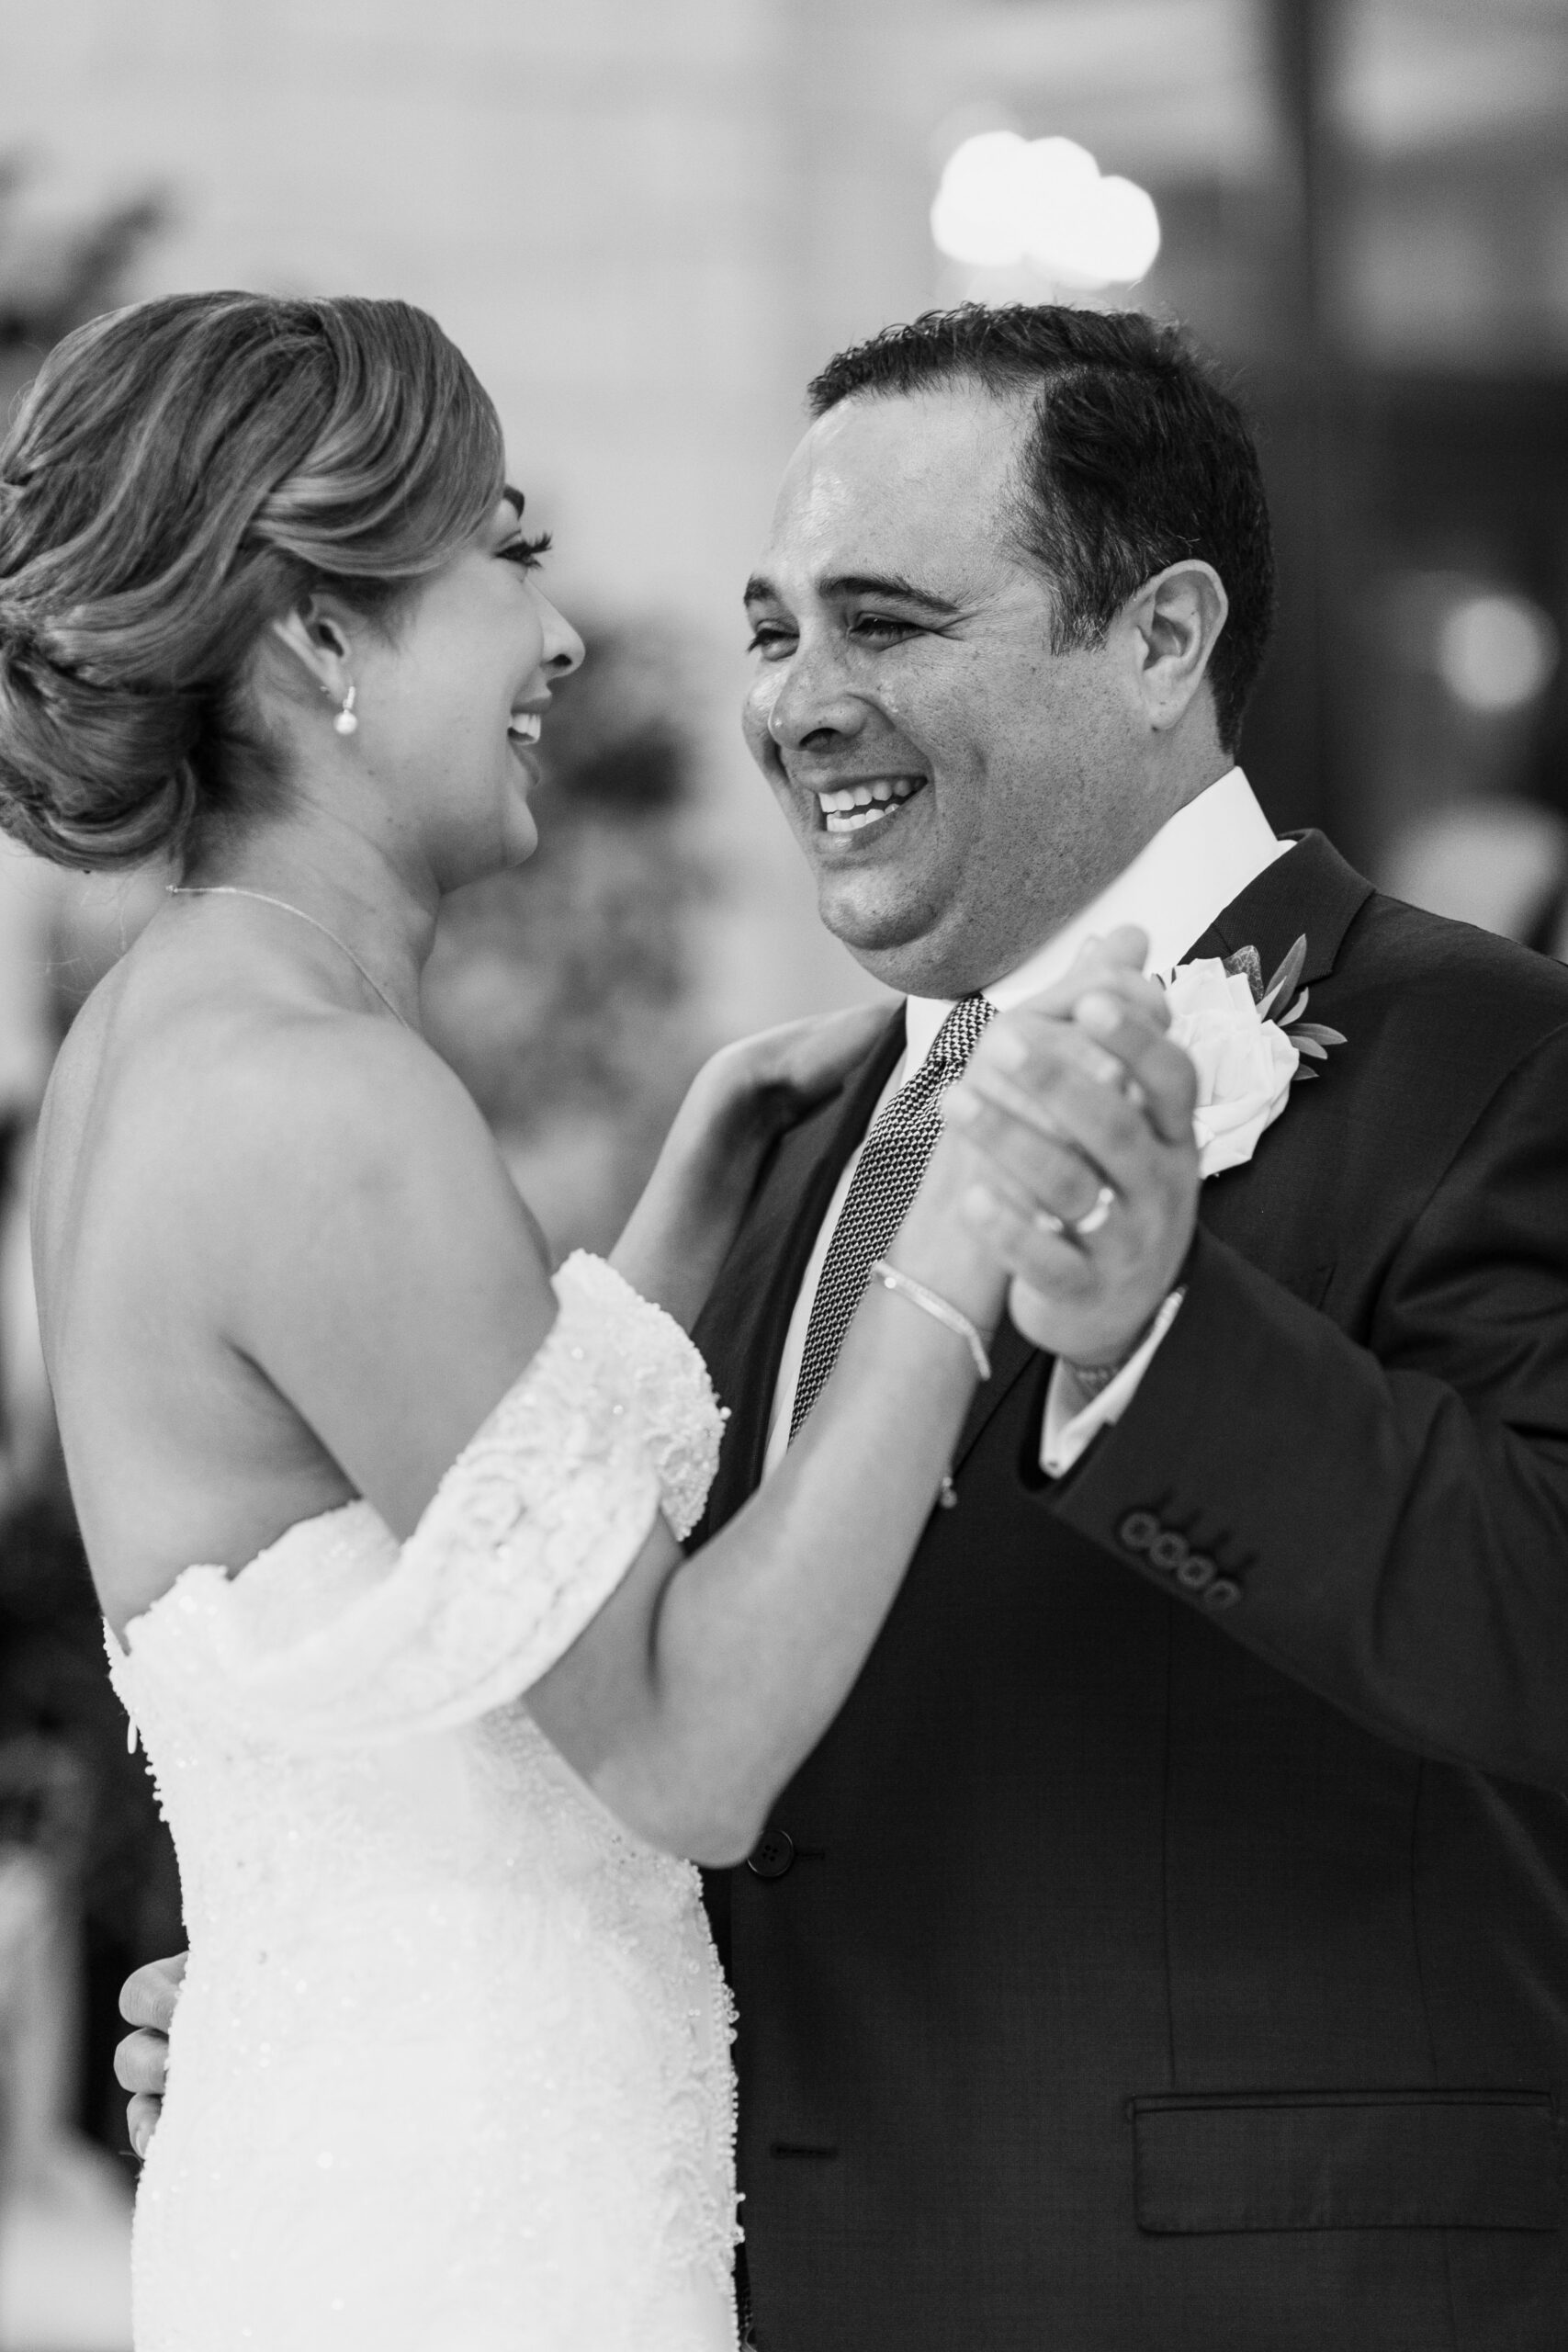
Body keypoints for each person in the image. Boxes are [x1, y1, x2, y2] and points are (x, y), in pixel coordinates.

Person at [119, 298, 1568, 2350]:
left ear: (1158, 640)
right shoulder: (811, 1132)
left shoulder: (1485, 1059)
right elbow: (674, 1703)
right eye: (774, 629)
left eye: (882, 623)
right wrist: (379, 2002)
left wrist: (1158, 1337)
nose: (799, 702)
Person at [3, 291, 1167, 2352]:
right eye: (508, 553)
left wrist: (662, 1233)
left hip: (375, 2153)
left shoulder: (165, 1039)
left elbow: (400, 1559)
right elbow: (680, 1747)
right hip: (475, 2225)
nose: (559, 639)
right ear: (322, 637)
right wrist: (964, 1214)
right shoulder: (320, 1104)